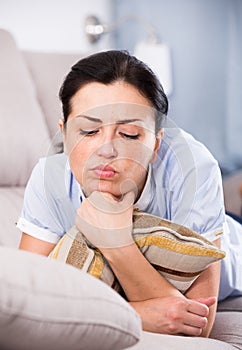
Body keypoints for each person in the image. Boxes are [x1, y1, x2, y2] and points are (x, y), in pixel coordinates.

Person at [17, 50, 242, 338]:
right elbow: (30, 303)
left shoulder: (193, 166)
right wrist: (135, 314)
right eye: (88, 131)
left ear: (156, 143)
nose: (106, 150)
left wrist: (115, 241)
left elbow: (198, 326)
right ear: (64, 134)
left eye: (130, 135)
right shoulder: (50, 178)